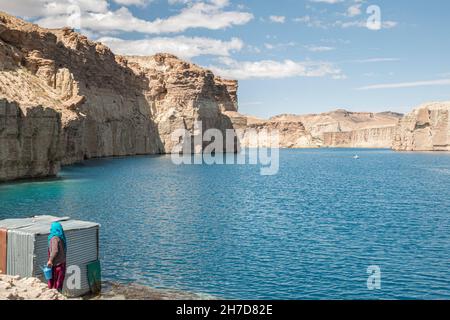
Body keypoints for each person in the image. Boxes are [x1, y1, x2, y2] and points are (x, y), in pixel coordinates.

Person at [47, 222, 67, 292]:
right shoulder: (61, 237)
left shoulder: (54, 238)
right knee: (59, 284)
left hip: (57, 265)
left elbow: (55, 251)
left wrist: (50, 260)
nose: (50, 229)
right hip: (62, 264)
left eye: (51, 228)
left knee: (54, 284)